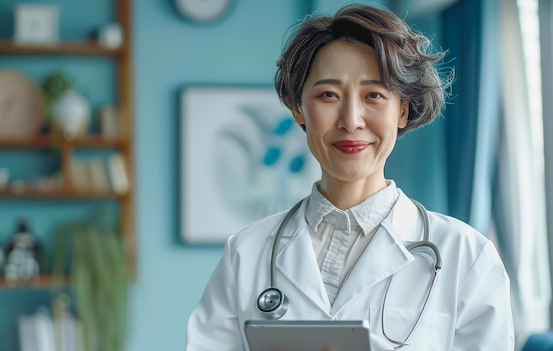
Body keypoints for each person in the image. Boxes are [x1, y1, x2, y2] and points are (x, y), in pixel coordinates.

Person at [186, 4, 514, 350]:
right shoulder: (247, 253)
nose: (351, 120)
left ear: (402, 109)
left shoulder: (467, 256)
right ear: (297, 106)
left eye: (374, 95)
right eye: (328, 95)